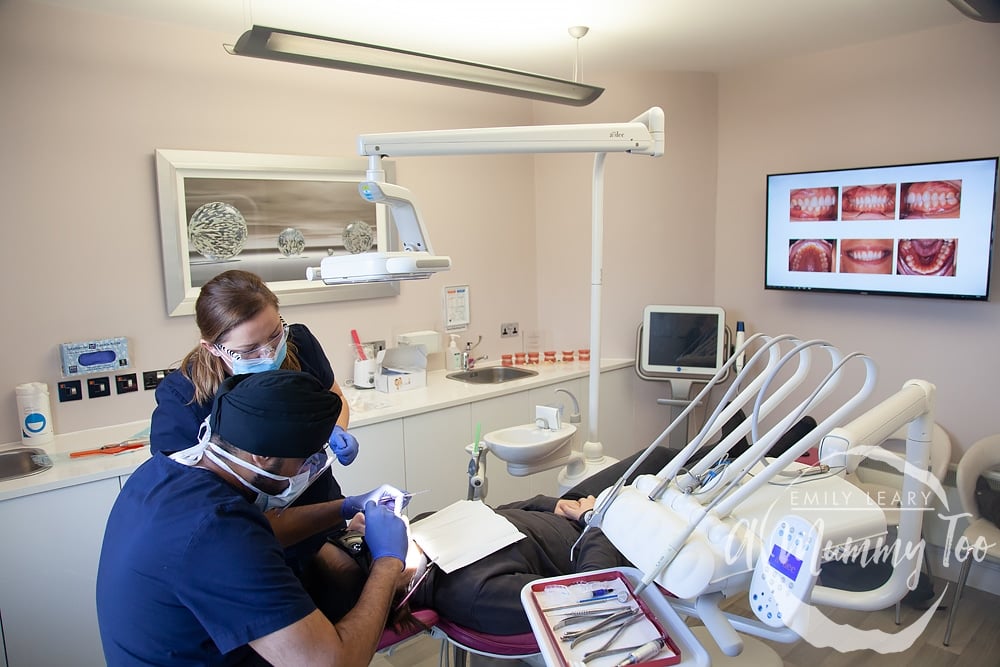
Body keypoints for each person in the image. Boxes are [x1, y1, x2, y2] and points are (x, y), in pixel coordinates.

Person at [97, 370, 413, 666]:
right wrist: (388, 561)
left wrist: (343, 507)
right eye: (307, 460)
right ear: (261, 455)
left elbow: (260, 531)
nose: (308, 471)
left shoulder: (164, 474)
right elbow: (332, 660)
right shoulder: (217, 533)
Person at [149, 269, 360, 618]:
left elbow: (334, 396)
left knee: (346, 591)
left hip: (318, 507)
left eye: (275, 335)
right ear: (212, 348)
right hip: (246, 538)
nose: (269, 352)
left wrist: (335, 429)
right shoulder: (183, 398)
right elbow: (184, 502)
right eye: (249, 350)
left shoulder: (299, 345)